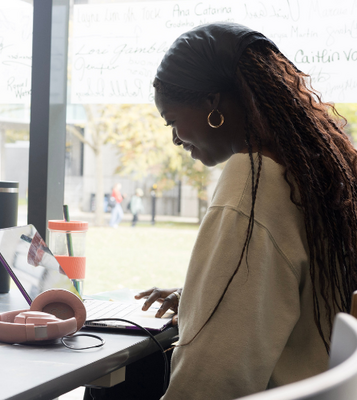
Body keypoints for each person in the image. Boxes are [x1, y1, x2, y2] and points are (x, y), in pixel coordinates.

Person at [135, 22, 357, 399]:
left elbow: (211, 379)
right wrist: (200, 295)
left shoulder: (253, 180)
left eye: (172, 119)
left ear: (212, 104)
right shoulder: (312, 174)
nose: (174, 138)